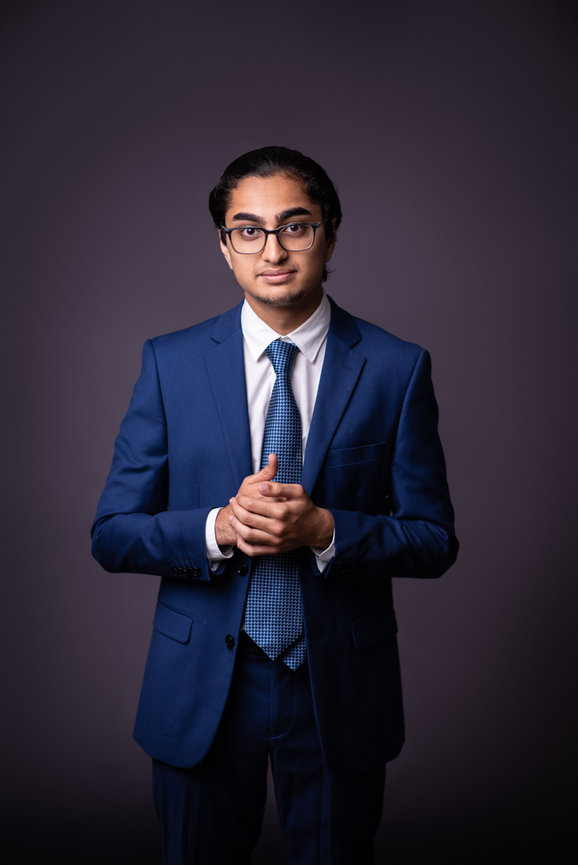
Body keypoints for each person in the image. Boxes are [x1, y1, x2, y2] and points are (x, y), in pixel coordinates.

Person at [91, 145, 458, 864]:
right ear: (225, 247)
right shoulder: (169, 363)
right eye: (248, 230)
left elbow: (435, 538)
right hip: (201, 689)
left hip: (338, 691)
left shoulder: (396, 367)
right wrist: (217, 528)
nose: (274, 249)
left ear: (330, 233)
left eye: (296, 226)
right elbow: (111, 532)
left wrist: (328, 529)